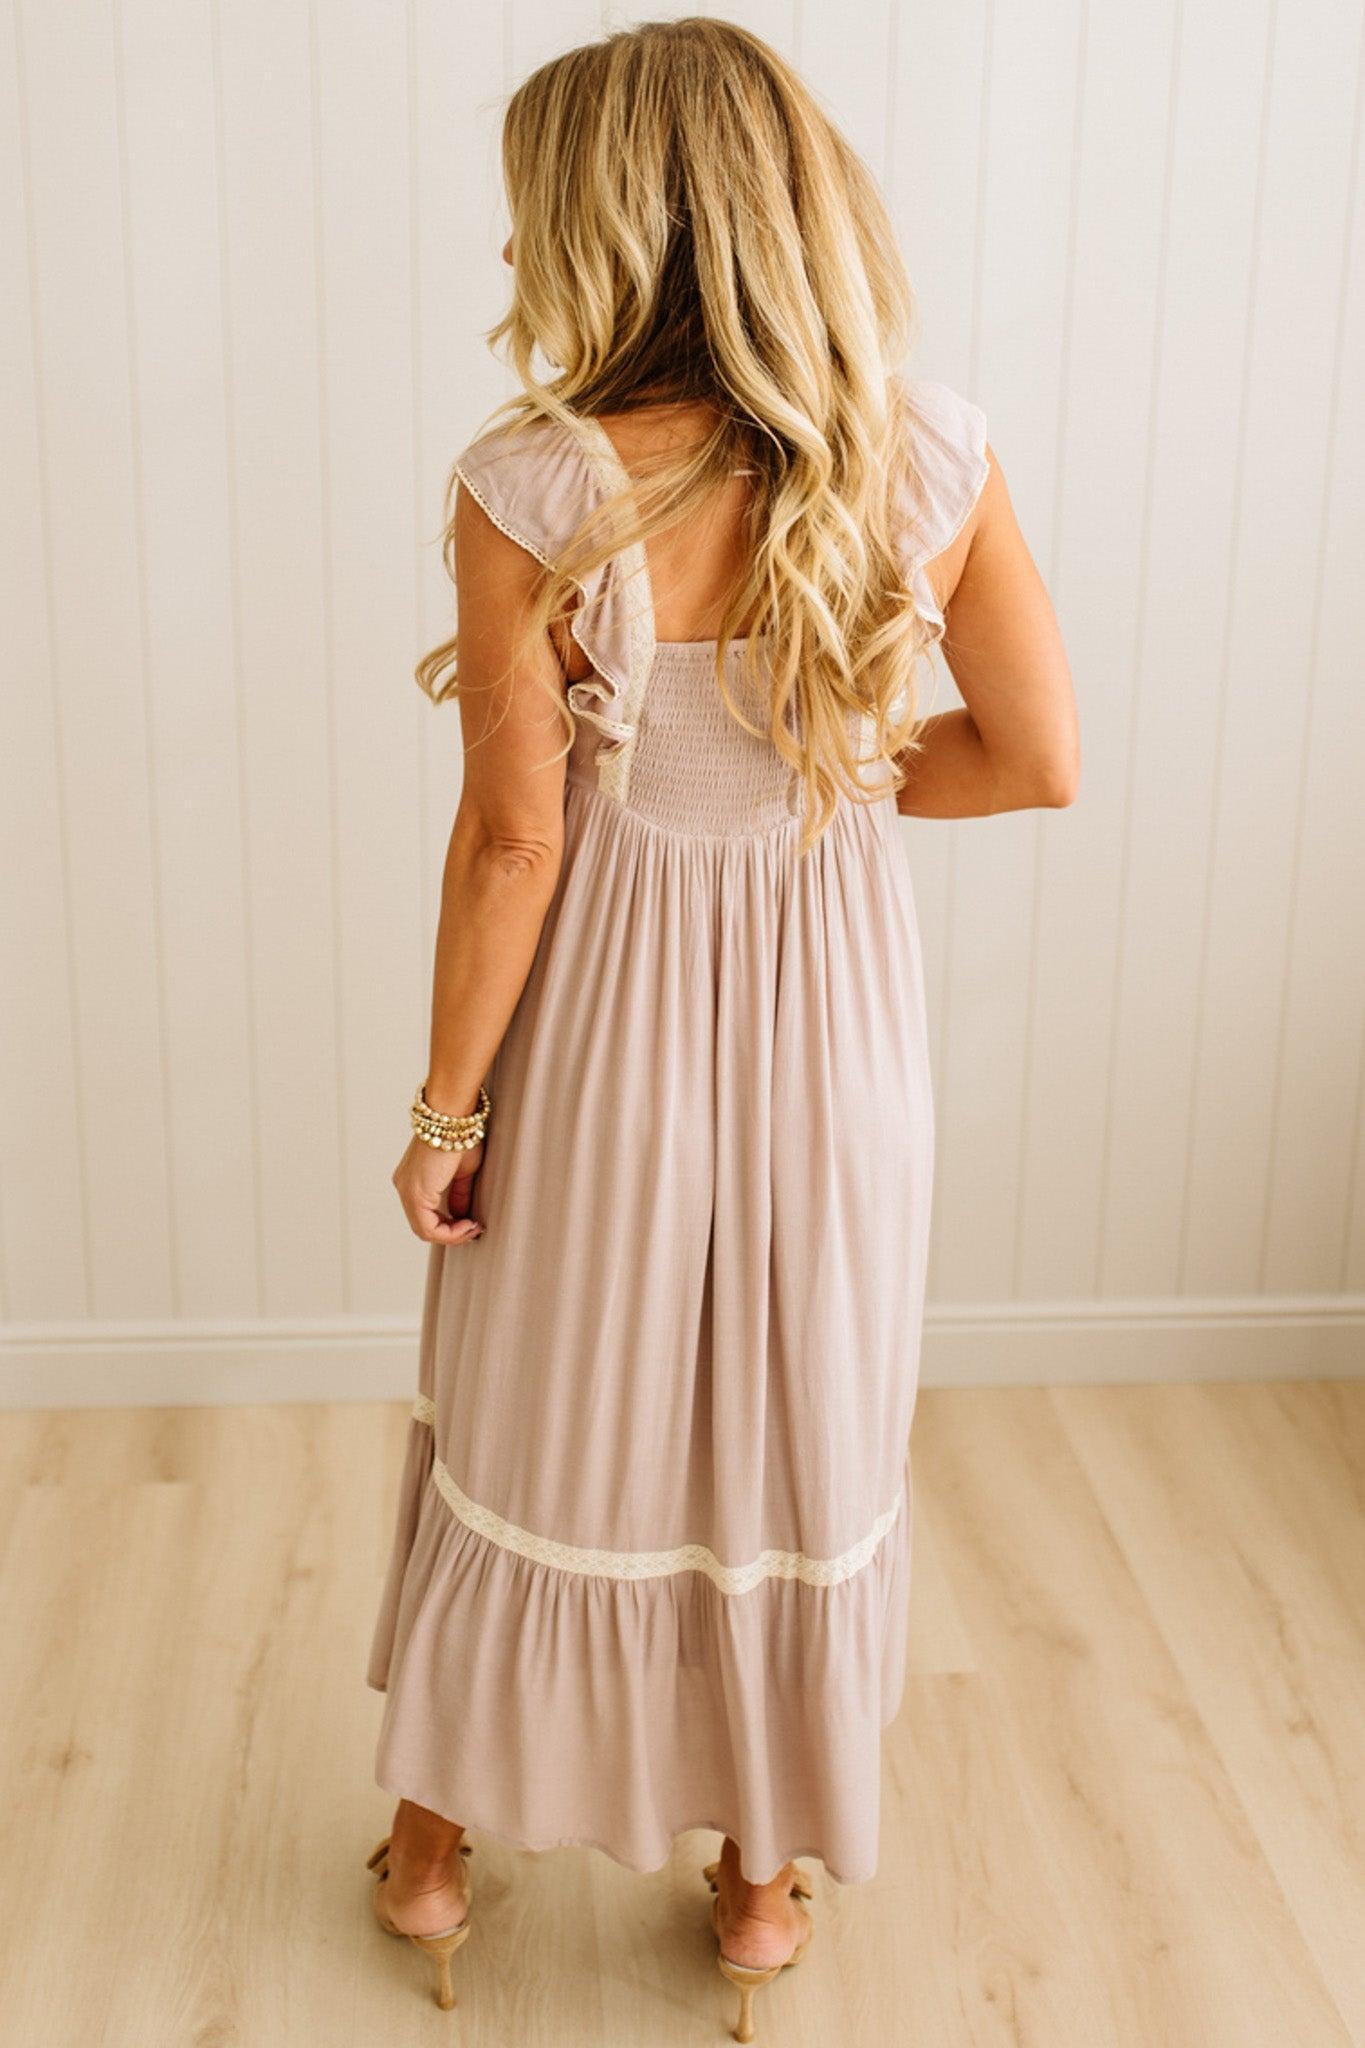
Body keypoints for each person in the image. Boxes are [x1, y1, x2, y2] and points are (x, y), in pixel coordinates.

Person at [364, 15, 1077, 2037]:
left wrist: (439, 1110)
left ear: (593, 218)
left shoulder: (532, 483)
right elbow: (1033, 760)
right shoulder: (924, 456)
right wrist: (825, 772)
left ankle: (430, 1852)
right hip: (836, 1040)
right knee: (796, 1416)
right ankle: (756, 1885)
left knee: (529, 1407)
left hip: (598, 1032)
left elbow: (514, 840)